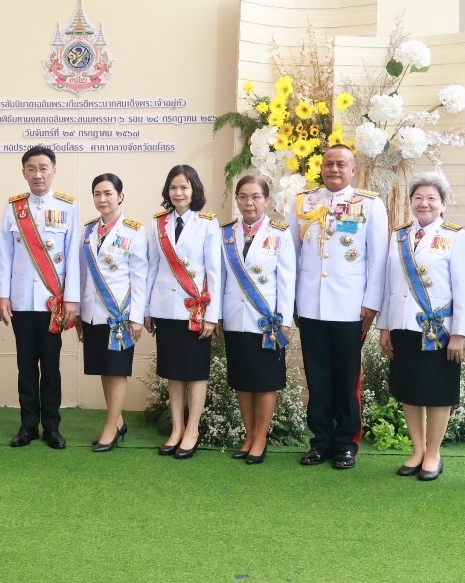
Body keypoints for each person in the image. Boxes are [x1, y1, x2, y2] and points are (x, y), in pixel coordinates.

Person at [286, 144, 388, 470]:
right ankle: (320, 441)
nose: (334, 169)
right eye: (329, 163)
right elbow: (290, 254)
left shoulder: (369, 204)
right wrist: (292, 301)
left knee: (346, 379)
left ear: (352, 170)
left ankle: (345, 443)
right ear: (321, 167)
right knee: (317, 378)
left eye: (341, 164)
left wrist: (371, 303)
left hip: (350, 308)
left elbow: (378, 258)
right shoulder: (303, 202)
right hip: (311, 305)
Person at [376, 172, 465, 481]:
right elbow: (388, 285)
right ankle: (417, 450)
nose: (424, 203)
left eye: (432, 198)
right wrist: (384, 326)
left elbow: (464, 289)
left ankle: (433, 453)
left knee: (437, 392)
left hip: (438, 330)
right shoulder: (398, 236)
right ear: (411, 202)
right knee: (409, 390)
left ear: (443, 204)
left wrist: (459, 334)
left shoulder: (456, 236)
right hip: (403, 325)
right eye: (418, 197)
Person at [0, 145, 80, 450]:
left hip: (52, 303)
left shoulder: (68, 206)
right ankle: (28, 425)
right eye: (31, 169)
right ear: (24, 173)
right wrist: (2, 295)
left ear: (54, 171)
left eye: (43, 168)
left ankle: (52, 427)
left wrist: (71, 299)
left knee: (52, 366)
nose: (38, 174)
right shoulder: (13, 208)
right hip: (21, 302)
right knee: (26, 366)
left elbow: (72, 254)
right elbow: (4, 255)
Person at [144, 164, 221, 460]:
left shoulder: (207, 223)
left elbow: (214, 273)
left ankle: (192, 430)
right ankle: (176, 429)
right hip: (165, 308)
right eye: (174, 187)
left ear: (194, 190)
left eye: (184, 187)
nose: (178, 193)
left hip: (195, 311)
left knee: (196, 372)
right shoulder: (157, 224)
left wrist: (212, 315)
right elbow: (152, 268)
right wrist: (148, 309)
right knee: (173, 372)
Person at [219, 174, 296, 465]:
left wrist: (285, 320)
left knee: (265, 382)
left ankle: (261, 437)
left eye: (255, 197)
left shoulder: (280, 233)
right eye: (243, 197)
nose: (249, 203)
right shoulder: (226, 233)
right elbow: (220, 278)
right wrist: (218, 316)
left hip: (267, 321)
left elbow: (287, 280)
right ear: (237, 200)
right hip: (235, 318)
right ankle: (249, 435)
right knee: (242, 380)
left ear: (265, 200)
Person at [77, 173, 147, 452]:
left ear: (120, 196)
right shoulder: (88, 231)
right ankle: (117, 421)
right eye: (97, 194)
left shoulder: (134, 231)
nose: (102, 199)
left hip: (120, 315)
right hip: (93, 313)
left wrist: (137, 317)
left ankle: (110, 428)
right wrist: (80, 313)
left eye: (108, 193)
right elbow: (83, 275)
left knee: (117, 371)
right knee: (104, 370)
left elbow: (139, 278)